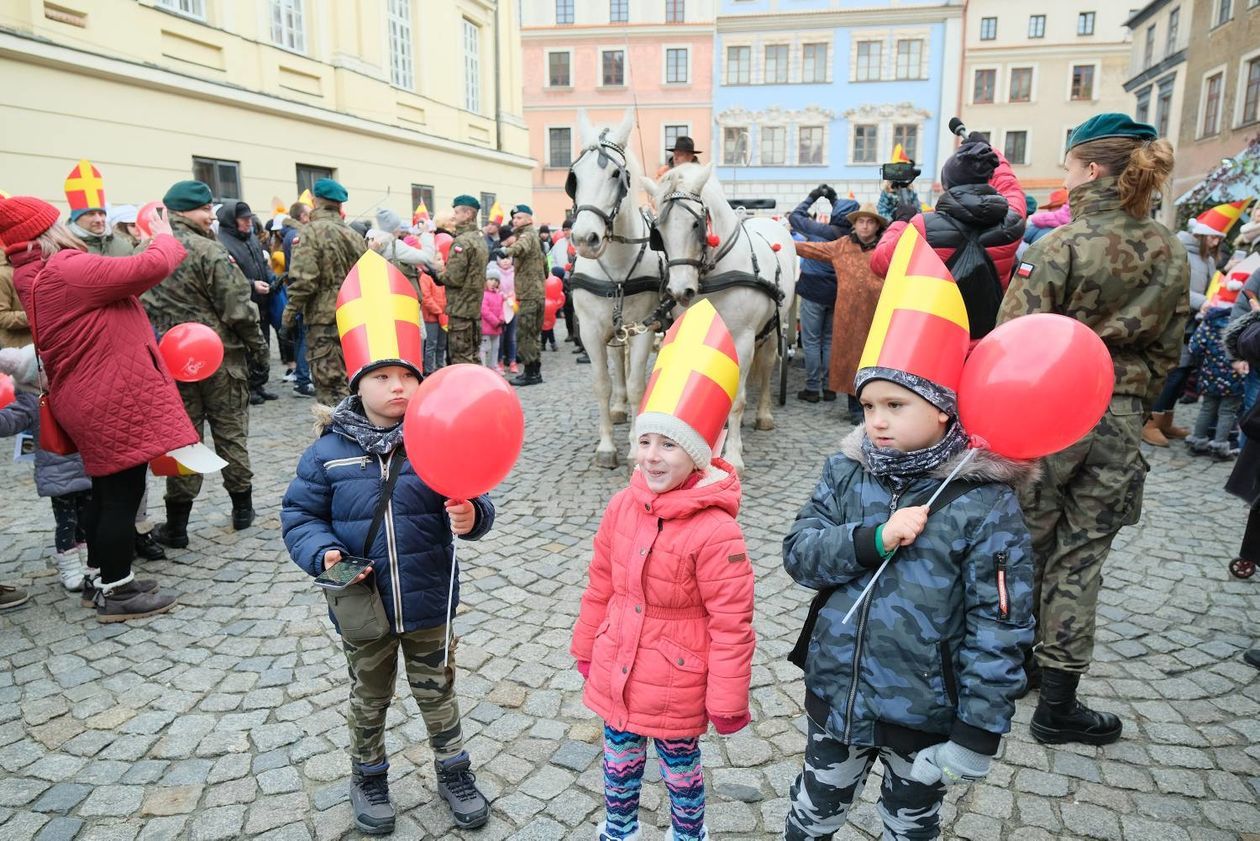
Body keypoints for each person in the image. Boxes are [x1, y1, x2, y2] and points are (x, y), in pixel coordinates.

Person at [782, 227, 1034, 840]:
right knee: (812, 815)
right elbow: (800, 554)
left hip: (925, 712)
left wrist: (976, 733)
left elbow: (1001, 624)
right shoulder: (847, 468)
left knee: (910, 825)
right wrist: (871, 539)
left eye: (896, 405)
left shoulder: (984, 501)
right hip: (837, 701)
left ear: (944, 407)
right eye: (869, 406)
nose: (878, 422)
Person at [998, 114, 1188, 744]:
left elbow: (1012, 345)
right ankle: (1059, 705)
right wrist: (1128, 398)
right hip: (1120, 417)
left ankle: (1010, 668)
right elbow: (1169, 351)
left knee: (1027, 545)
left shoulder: (1058, 246)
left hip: (1051, 419)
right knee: (1081, 559)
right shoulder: (1169, 249)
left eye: (1073, 163)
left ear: (1091, 168)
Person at [281, 287, 494, 834]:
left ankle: (454, 771)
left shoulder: (438, 438)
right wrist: (322, 552)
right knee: (368, 696)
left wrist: (474, 515)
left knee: (437, 691)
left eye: (408, 376)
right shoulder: (326, 452)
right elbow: (300, 516)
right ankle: (369, 774)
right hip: (363, 605)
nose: (397, 386)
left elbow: (475, 493)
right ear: (358, 385)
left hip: (428, 599)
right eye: (382, 377)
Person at [572, 301, 754, 841]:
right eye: (645, 441)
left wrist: (726, 697)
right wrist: (587, 647)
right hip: (617, 663)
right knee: (618, 763)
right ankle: (620, 829)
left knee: (681, 772)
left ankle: (686, 834)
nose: (651, 456)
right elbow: (601, 584)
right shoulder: (620, 507)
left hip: (676, 680)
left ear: (699, 454)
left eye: (669, 443)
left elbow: (731, 622)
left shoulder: (717, 531)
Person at [0, 194, 192, 621]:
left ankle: (103, 580)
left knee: (108, 494)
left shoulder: (33, 273)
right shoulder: (65, 268)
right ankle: (119, 592)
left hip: (90, 394)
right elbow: (148, 267)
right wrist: (162, 236)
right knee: (120, 497)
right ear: (48, 229)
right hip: (110, 396)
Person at [144, 180, 269, 547]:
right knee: (231, 433)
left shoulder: (146, 250)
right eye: (204, 210)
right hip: (221, 360)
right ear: (183, 211)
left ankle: (177, 525)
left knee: (183, 441)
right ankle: (242, 509)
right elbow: (239, 310)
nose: (210, 216)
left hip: (170, 362)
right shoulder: (209, 251)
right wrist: (259, 352)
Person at [872, 134, 1027, 340]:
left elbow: (879, 263)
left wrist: (900, 221)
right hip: (989, 338)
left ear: (947, 184)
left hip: (938, 338)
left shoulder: (924, 226)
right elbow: (1010, 187)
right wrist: (989, 151)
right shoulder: (1013, 221)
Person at [0, 344, 92, 591]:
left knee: (86, 519)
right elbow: (9, 421)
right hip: (57, 475)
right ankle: (69, 567)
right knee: (67, 522)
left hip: (86, 469)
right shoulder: (32, 401)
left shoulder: (71, 390)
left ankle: (86, 563)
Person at [791, 203, 890, 425]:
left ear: (877, 226)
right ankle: (855, 407)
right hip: (847, 316)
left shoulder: (885, 249)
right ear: (854, 225)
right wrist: (788, 244)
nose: (865, 226)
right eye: (861, 221)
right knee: (847, 360)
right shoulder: (842, 246)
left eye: (870, 222)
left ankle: (874, 404)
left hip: (875, 315)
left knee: (875, 360)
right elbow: (812, 249)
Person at [1143, 211, 1231, 445]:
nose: (1215, 243)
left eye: (1218, 240)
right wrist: (1204, 302)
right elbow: (1174, 287)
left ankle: (1165, 420)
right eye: (1213, 238)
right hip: (1176, 321)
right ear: (1202, 235)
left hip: (1195, 323)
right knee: (1173, 374)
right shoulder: (1179, 250)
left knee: (1183, 374)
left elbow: (1210, 286)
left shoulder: (1208, 257)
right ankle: (1151, 421)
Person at [283, 178, 368, 406]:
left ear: (314, 201)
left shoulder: (310, 232)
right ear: (339, 205)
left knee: (329, 383)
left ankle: (337, 434)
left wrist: (288, 315)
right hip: (353, 314)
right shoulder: (354, 236)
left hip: (324, 320)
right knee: (353, 378)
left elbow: (304, 281)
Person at [788, 184, 859, 403]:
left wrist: (814, 196)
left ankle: (812, 388)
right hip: (836, 293)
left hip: (812, 291)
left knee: (810, 341)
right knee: (828, 341)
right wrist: (834, 200)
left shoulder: (818, 230)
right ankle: (829, 388)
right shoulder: (851, 238)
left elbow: (795, 216)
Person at [216, 200, 279, 405]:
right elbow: (227, 278)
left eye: (249, 218)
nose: (248, 222)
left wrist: (270, 278)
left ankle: (259, 383)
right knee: (246, 347)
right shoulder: (222, 242)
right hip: (243, 303)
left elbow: (261, 263)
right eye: (243, 219)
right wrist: (252, 285)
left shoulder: (251, 238)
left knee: (263, 343)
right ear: (232, 221)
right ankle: (249, 387)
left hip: (262, 301)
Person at [1186, 290, 1245, 459]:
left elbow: (1194, 347)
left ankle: (1197, 442)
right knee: (1227, 412)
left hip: (1209, 375)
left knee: (1207, 408)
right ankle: (1219, 447)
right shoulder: (1241, 323)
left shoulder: (1209, 321)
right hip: (1234, 376)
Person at [436, 195, 488, 366]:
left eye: (456, 212)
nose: (453, 216)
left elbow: (453, 278)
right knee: (473, 356)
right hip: (473, 310)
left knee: (461, 360)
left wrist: (436, 271)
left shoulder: (461, 241)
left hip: (460, 310)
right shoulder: (479, 239)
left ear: (467, 214)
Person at [501, 204, 547, 386]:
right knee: (534, 334)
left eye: (519, 217)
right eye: (514, 218)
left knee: (525, 334)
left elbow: (520, 247)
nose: (515, 220)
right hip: (537, 293)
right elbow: (545, 266)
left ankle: (530, 373)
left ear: (529, 219)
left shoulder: (526, 235)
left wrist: (505, 251)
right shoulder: (535, 237)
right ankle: (535, 371)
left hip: (528, 295)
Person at [63, 159, 134, 258]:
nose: (99, 219)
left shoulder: (124, 247)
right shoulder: (63, 246)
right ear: (76, 218)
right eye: (91, 214)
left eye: (101, 214)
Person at [280, 202, 315, 397]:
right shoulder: (297, 236)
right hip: (301, 294)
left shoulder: (292, 234)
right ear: (302, 216)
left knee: (303, 337)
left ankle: (303, 377)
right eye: (309, 213)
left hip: (296, 292)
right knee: (304, 338)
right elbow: (302, 270)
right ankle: (302, 380)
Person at [495, 235, 519, 374]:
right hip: (499, 307)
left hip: (512, 306)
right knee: (500, 336)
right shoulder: (495, 273)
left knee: (511, 336)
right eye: (502, 259)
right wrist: (502, 296)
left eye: (507, 258)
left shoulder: (515, 272)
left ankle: (512, 361)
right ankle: (499, 361)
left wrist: (512, 296)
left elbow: (518, 287)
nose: (505, 261)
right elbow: (493, 288)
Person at [0, 250, 31, 348]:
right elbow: (2, 317)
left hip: (39, 341)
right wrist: (34, 316)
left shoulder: (25, 263)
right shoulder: (2, 274)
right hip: (19, 348)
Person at [480, 270, 504, 368]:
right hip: (486, 326)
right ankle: (483, 366)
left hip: (497, 326)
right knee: (484, 347)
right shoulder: (483, 294)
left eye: (496, 280)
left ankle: (494, 365)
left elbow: (502, 308)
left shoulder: (498, 295)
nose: (493, 282)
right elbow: (484, 310)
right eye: (490, 279)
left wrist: (502, 318)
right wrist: (495, 321)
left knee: (495, 347)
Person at [542, 266, 565, 352]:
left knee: (547, 325)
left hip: (550, 305)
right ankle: (548, 343)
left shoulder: (551, 279)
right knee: (545, 325)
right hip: (544, 303)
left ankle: (547, 343)